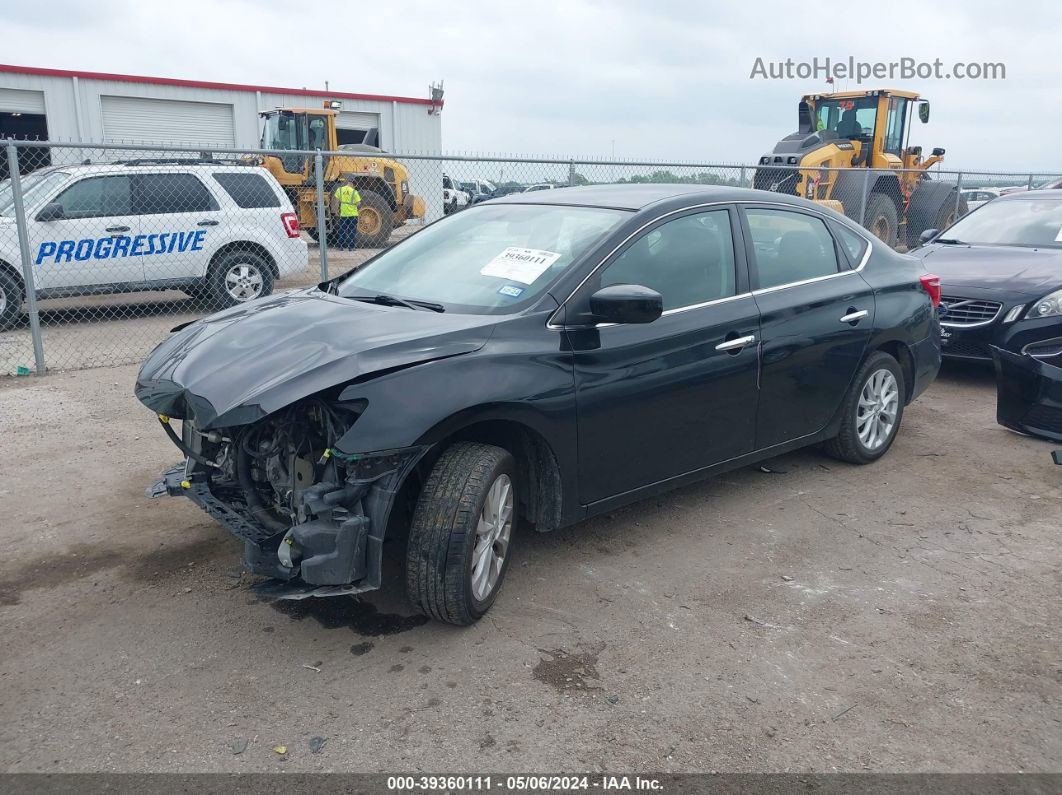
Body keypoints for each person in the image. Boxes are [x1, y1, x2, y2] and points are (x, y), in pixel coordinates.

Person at [334, 179, 361, 249]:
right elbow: (359, 203)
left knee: (342, 230)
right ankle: (351, 247)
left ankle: (341, 246)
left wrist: (337, 210)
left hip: (343, 214)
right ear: (353, 184)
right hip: (353, 214)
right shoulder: (354, 192)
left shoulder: (340, 190)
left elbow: (336, 202)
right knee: (352, 231)